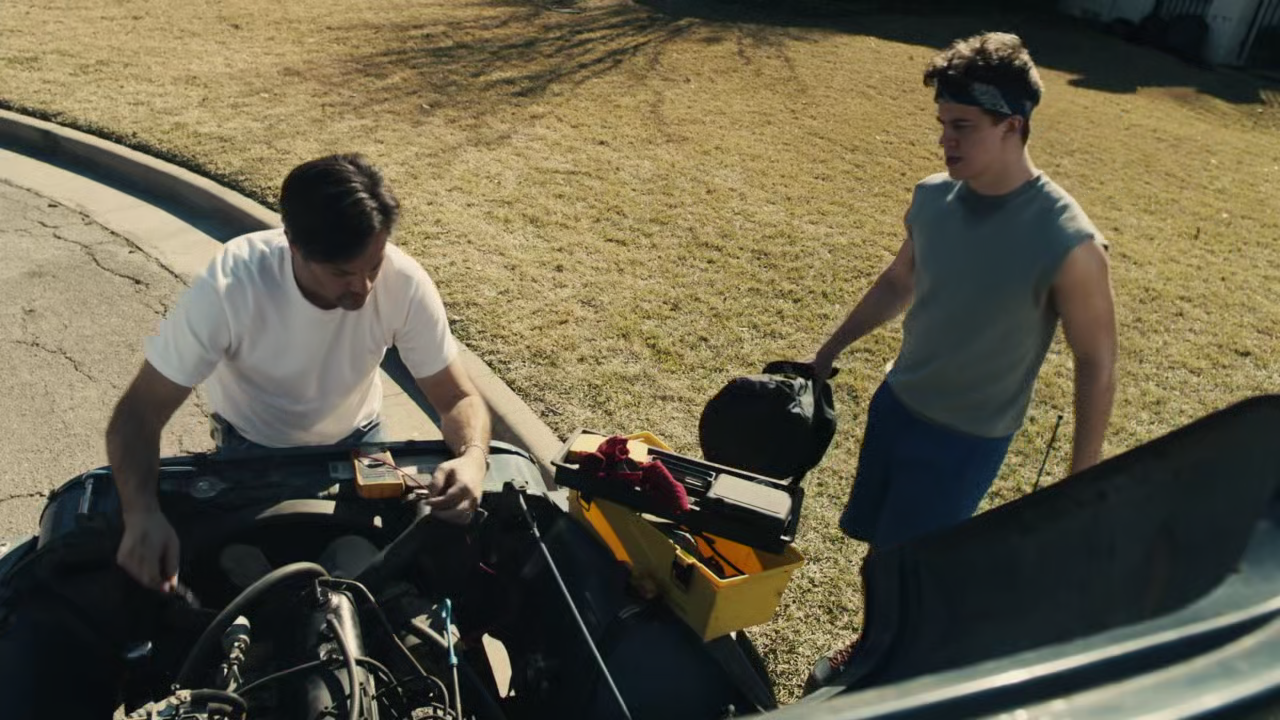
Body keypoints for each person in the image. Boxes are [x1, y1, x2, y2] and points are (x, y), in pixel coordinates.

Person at [806, 32, 1117, 686]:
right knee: (881, 555)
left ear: (1012, 125)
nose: (945, 141)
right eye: (942, 124)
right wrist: (827, 351)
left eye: (962, 127)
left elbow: (1096, 361)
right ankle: (876, 644)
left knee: (915, 567)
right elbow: (899, 281)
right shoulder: (932, 198)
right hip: (898, 405)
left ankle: (888, 673)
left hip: (965, 439)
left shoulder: (1068, 241)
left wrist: (1080, 478)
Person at [106, 153, 492, 593]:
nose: (363, 287)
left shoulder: (404, 281)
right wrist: (140, 513)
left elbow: (458, 397)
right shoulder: (230, 286)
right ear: (292, 243)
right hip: (250, 450)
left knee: (377, 578)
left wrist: (473, 458)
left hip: (360, 446)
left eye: (374, 265)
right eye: (342, 272)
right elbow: (139, 413)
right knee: (238, 578)